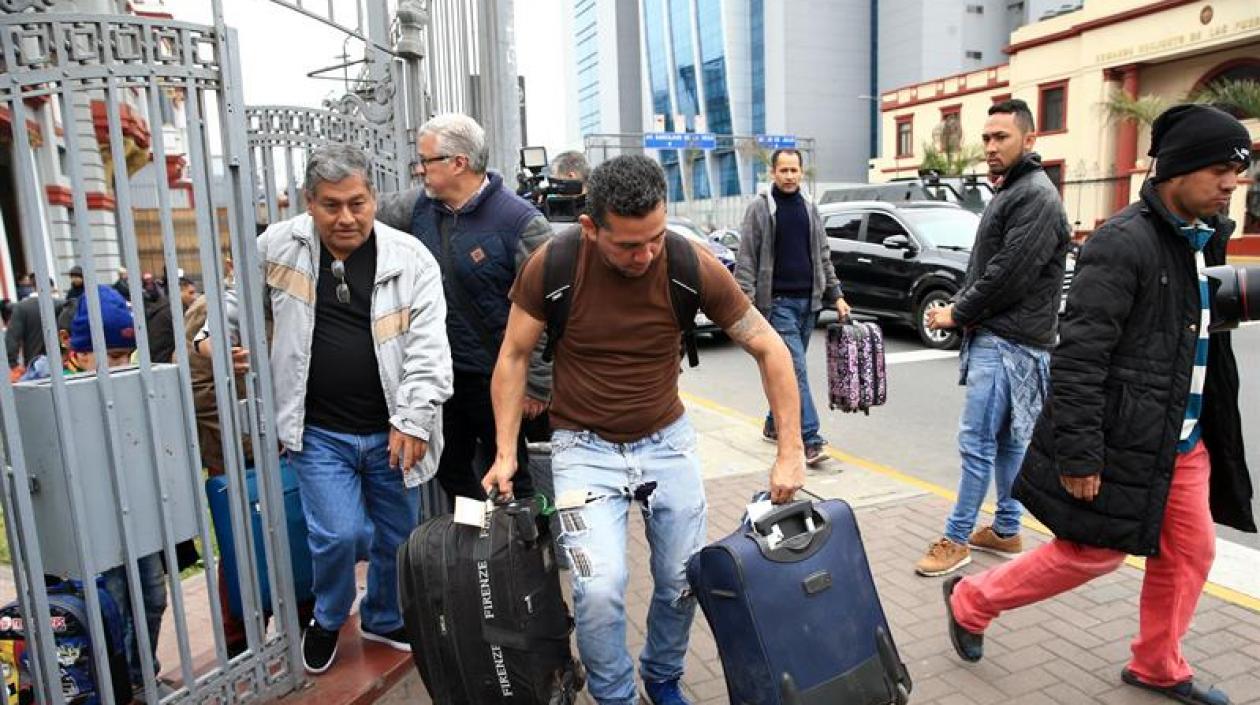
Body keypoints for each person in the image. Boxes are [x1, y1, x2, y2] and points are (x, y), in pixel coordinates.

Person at [942, 105, 1255, 705]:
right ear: (1180, 168)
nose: (1230, 183)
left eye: (1236, 171)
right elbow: (1081, 357)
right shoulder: (1121, 243)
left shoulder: (1205, 238)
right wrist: (1080, 454)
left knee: (1191, 552)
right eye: (1219, 169)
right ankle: (970, 600)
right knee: (1092, 555)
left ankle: (1158, 665)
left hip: (1183, 440)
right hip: (1121, 440)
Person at [483, 155, 806, 705]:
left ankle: (661, 674)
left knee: (683, 580)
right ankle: (614, 695)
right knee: (598, 588)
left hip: (667, 443)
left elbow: (769, 346)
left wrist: (791, 450)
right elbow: (513, 356)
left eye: (654, 237)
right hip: (583, 449)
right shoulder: (554, 264)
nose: (646, 254)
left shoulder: (688, 261)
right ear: (591, 227)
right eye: (628, 245)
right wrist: (504, 451)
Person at [193, 144, 453, 674]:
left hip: (394, 429)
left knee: (396, 537)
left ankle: (382, 615)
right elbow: (234, 300)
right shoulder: (278, 245)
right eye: (331, 205)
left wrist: (413, 418)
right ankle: (331, 616)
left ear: (372, 198)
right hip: (319, 432)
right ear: (309, 203)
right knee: (337, 534)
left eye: (357, 203)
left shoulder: (410, 258)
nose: (346, 218)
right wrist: (209, 338)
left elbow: (430, 348)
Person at [914, 98, 1070, 577]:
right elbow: (993, 265)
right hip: (1011, 340)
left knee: (978, 442)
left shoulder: (1036, 197)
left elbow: (1007, 274)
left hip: (1008, 343)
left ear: (1029, 139)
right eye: (986, 138)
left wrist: (956, 312)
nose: (990, 147)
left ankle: (957, 538)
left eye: (1000, 137)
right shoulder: (1014, 191)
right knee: (1004, 443)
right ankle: (1005, 529)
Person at [376, 112, 550, 504]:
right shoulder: (418, 208)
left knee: (510, 473)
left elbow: (547, 309)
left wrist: (536, 383)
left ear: (459, 163)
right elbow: (363, 214)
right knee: (451, 468)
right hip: (442, 376)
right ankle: (477, 549)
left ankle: (523, 552)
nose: (419, 170)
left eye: (426, 161)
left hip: (498, 377)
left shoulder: (520, 221)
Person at [24, 286, 169, 690]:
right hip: (89, 520)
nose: (123, 366)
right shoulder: (45, 386)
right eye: (115, 357)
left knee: (153, 599)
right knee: (113, 608)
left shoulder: (130, 383)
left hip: (136, 512)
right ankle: (115, 686)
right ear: (79, 350)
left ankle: (142, 678)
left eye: (127, 357)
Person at [735, 148, 847, 465]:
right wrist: (744, 303)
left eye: (794, 170)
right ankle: (809, 438)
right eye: (783, 170)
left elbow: (823, 255)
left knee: (786, 372)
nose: (789, 176)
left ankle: (774, 423)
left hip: (809, 304)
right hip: (778, 304)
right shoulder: (760, 209)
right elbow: (746, 258)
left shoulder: (810, 207)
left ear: (801, 172)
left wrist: (835, 294)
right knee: (796, 372)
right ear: (773, 173)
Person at [5, 279, 62, 372]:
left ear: (33, 287)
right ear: (51, 288)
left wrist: (13, 363)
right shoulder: (61, 304)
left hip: (34, 363)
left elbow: (12, 337)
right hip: (61, 361)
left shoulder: (22, 307)